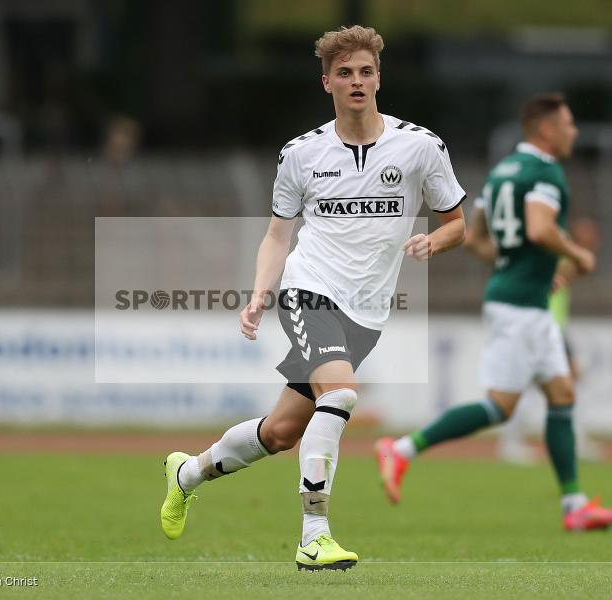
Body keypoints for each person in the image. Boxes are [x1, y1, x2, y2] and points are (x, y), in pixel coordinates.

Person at [160, 25, 467, 571]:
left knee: (280, 433)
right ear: (326, 81)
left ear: (379, 78)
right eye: (345, 73)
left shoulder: (421, 146)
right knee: (343, 394)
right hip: (308, 291)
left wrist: (433, 240)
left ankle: (186, 473)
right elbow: (279, 234)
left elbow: (458, 224)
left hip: (367, 314)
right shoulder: (301, 154)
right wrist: (260, 292)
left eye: (366, 72)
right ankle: (314, 534)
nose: (357, 82)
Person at [375, 93, 612, 531]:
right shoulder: (546, 172)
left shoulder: (503, 172)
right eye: (567, 124)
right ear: (546, 130)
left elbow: (475, 239)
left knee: (562, 394)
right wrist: (578, 255)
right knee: (499, 408)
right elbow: (539, 227)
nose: (573, 131)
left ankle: (575, 506)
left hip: (521, 300)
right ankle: (401, 450)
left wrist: (517, 265)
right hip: (521, 310)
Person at [495, 218, 604, 464]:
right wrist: (580, 251)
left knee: (547, 383)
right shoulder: (548, 256)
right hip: (543, 324)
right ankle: (517, 441)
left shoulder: (555, 254)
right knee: (549, 382)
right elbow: (561, 276)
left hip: (549, 325)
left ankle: (514, 441)